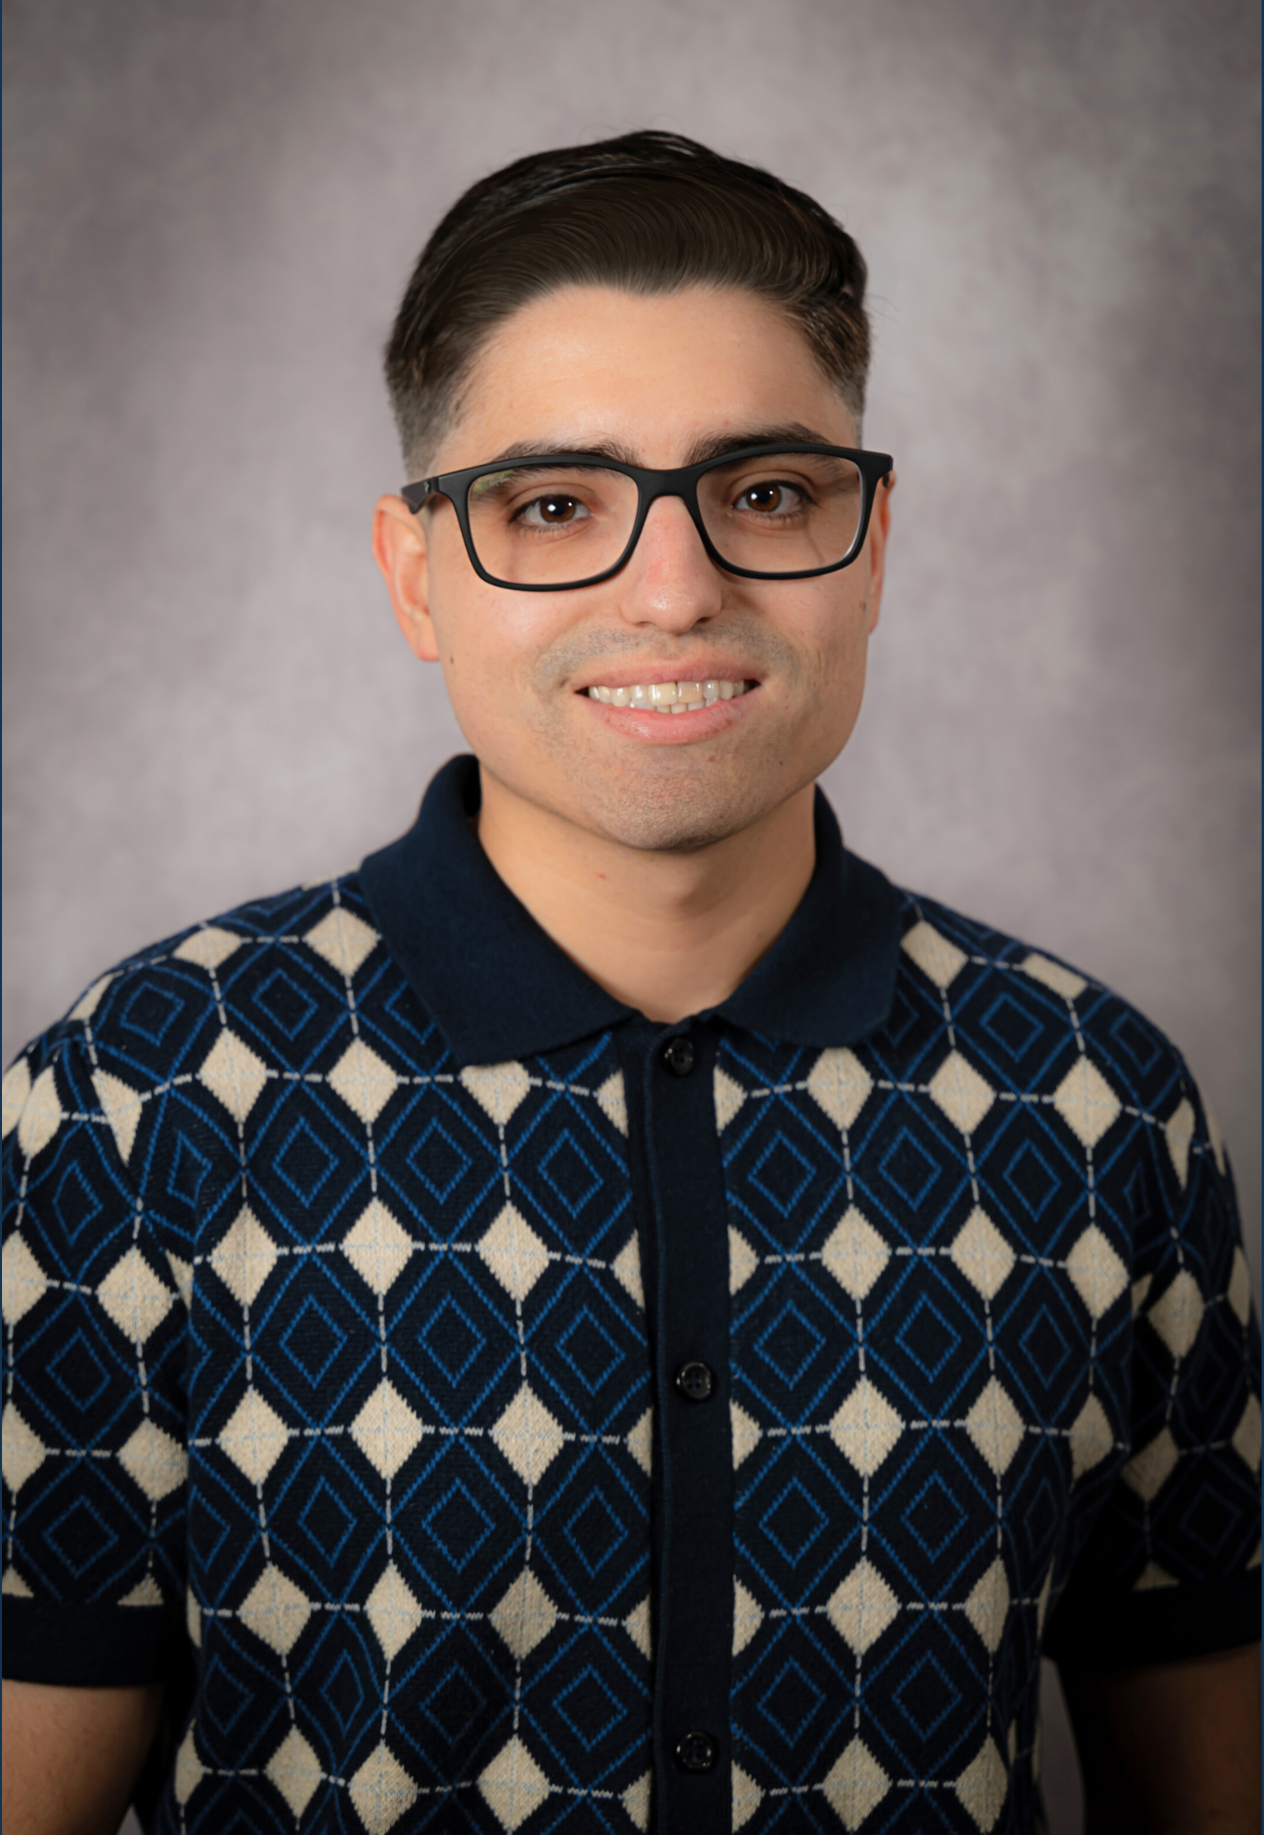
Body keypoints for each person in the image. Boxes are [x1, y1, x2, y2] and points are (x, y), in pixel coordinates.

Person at [2, 130, 1258, 1835]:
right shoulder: (134, 1101)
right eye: (552, 505)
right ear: (416, 572)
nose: (674, 591)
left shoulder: (1100, 1106)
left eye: (764, 493)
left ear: (873, 542)